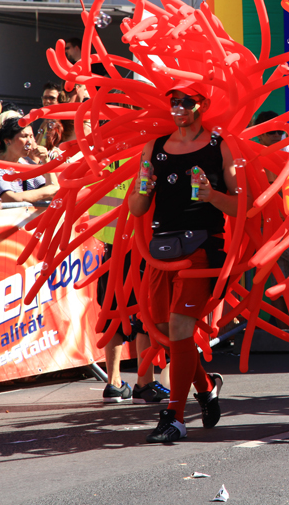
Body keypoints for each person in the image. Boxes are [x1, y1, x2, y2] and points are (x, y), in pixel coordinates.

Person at [128, 81, 240, 443]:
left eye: (185, 101)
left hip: (202, 247)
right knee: (165, 328)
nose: (177, 107)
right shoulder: (155, 148)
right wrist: (143, 189)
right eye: (173, 101)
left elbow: (243, 205)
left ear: (202, 105)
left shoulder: (218, 147)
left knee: (178, 327)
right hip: (164, 248)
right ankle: (206, 387)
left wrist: (211, 196)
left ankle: (174, 416)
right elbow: (137, 207)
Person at [90, 161, 168, 404]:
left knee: (113, 310)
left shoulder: (98, 155)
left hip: (112, 242)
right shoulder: (143, 150)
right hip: (141, 241)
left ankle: (113, 383)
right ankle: (144, 383)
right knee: (145, 310)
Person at [0, 117, 59, 203]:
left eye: (31, 136)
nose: (30, 142)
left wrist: (46, 161)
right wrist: (49, 189)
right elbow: (11, 198)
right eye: (25, 136)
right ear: (7, 141)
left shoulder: (25, 164)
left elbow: (54, 194)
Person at [34, 82, 65, 151]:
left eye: (52, 98)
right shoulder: (45, 123)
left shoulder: (64, 123)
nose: (47, 101)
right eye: (45, 98)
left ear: (60, 100)